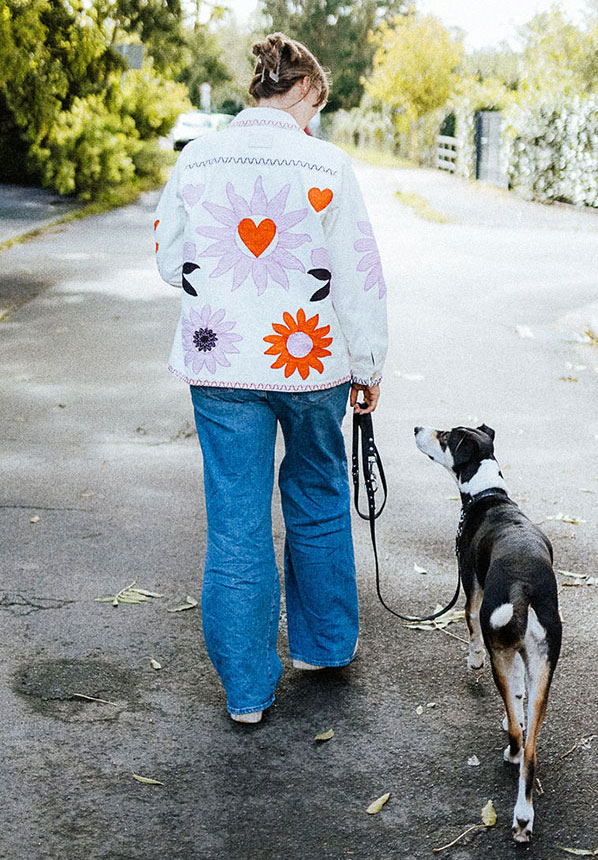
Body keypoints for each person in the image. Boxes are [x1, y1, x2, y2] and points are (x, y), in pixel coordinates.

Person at [154, 32, 388, 724]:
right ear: (305, 90)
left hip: (219, 361)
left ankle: (247, 693)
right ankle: (323, 647)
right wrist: (369, 364)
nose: (315, 120)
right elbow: (359, 275)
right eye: (317, 106)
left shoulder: (197, 159)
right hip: (310, 361)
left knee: (236, 517)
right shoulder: (328, 164)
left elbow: (169, 261)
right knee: (318, 495)